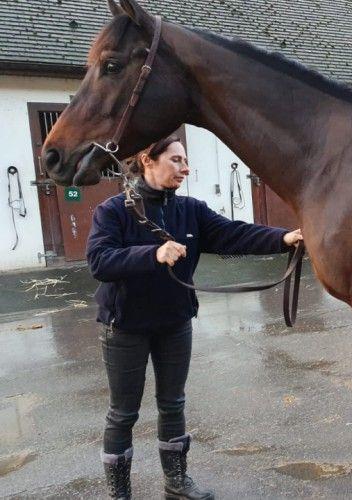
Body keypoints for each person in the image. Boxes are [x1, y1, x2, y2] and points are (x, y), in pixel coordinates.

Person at [86, 135, 302, 499]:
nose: (185, 168)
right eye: (176, 160)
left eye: (185, 161)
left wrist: (284, 238)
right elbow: (99, 261)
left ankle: (175, 482)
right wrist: (152, 254)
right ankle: (119, 492)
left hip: (174, 322)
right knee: (123, 413)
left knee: (173, 404)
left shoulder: (191, 209)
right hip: (124, 326)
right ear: (146, 160)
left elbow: (235, 234)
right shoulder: (114, 210)